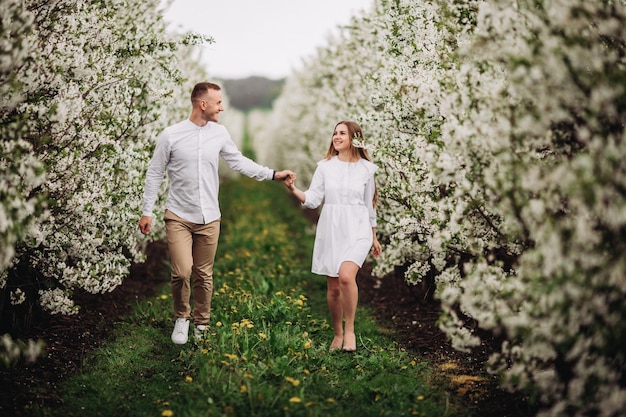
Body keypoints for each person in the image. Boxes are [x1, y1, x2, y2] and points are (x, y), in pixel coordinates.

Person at [138, 82, 295, 345]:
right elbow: (155, 172)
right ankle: (181, 317)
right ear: (203, 104)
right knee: (182, 271)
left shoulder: (219, 134)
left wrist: (273, 175)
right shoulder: (171, 135)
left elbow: (238, 162)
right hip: (178, 214)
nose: (222, 107)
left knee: (203, 273)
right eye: (218, 102)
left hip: (210, 216)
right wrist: (147, 211)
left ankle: (202, 322)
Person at [286, 121, 381, 352]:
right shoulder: (325, 166)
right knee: (334, 288)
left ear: (354, 138)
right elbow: (314, 198)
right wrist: (293, 189)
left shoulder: (367, 169)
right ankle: (337, 333)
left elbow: (369, 205)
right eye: (335, 133)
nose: (336, 137)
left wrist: (374, 236)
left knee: (347, 276)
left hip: (358, 228)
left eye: (342, 133)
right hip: (332, 228)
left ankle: (350, 331)